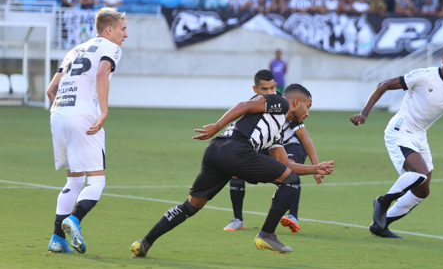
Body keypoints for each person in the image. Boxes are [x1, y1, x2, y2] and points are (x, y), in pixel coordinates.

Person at [131, 84, 334, 258]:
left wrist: (315, 168)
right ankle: (266, 235)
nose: (308, 113)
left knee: (192, 205)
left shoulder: (276, 127)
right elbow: (244, 105)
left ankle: (144, 243)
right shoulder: (280, 103)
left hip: (216, 150)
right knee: (290, 182)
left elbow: (284, 164)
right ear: (296, 102)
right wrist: (217, 125)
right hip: (236, 150)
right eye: (308, 106)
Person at [350, 45, 443, 238]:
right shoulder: (424, 76)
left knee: (422, 190)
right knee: (418, 173)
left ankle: (381, 225)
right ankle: (383, 201)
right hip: (400, 130)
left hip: (420, 136)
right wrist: (364, 114)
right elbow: (384, 84)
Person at [45, 8, 128, 254]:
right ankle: (75, 219)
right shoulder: (111, 48)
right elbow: (102, 73)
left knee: (74, 179)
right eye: (123, 29)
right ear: (109, 29)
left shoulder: (74, 50)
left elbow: (52, 90)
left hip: (58, 113)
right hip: (83, 115)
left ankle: (57, 239)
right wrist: (102, 111)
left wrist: (66, 112)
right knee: (97, 180)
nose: (126, 34)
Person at [224, 70, 323, 232]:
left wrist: (316, 166)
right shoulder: (256, 103)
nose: (268, 93)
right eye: (264, 89)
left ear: (275, 87)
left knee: (290, 168)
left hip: (291, 145)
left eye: (271, 89)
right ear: (256, 90)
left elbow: (305, 138)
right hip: (268, 144)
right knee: (236, 171)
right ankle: (237, 219)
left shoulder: (283, 104)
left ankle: (293, 215)